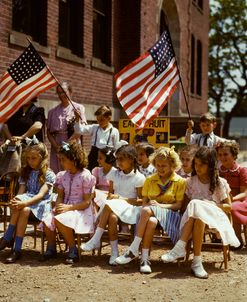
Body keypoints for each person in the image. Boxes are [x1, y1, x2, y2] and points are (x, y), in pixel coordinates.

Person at [161, 147, 240, 279]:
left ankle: (180, 246)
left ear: (210, 165)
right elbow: (185, 207)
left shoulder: (219, 183)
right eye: (196, 164)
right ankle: (196, 262)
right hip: (194, 220)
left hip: (215, 219)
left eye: (201, 164)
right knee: (197, 212)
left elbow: (228, 207)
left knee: (197, 204)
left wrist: (208, 204)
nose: (197, 167)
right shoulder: (190, 182)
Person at [115, 146, 186, 274]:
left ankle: (134, 249)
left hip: (170, 216)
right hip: (150, 215)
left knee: (147, 211)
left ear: (172, 165)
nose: (160, 168)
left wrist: (159, 206)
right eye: (158, 165)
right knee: (151, 220)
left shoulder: (180, 181)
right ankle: (145, 259)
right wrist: (153, 207)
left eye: (164, 166)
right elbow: (144, 202)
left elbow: (178, 205)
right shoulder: (150, 180)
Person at [81, 144, 145, 265]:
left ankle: (96, 238)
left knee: (110, 204)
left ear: (131, 159)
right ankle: (114, 253)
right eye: (117, 159)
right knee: (112, 218)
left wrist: (120, 198)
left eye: (121, 159)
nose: (118, 162)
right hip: (114, 208)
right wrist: (113, 198)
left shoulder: (139, 178)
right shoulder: (114, 174)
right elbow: (110, 194)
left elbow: (140, 201)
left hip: (131, 209)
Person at [0, 137, 56, 263]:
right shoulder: (26, 171)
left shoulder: (48, 174)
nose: (30, 161)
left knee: (23, 207)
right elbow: (22, 190)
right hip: (27, 202)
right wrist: (16, 200)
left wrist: (23, 202)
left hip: (40, 204)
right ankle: (16, 249)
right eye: (28, 158)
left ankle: (8, 238)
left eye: (34, 158)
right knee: (22, 208)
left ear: (42, 158)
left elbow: (41, 195)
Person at [43, 141, 96, 264]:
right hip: (66, 206)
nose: (61, 163)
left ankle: (73, 249)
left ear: (74, 159)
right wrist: (58, 206)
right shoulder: (62, 176)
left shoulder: (85, 176)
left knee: (61, 219)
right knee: (47, 218)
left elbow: (87, 202)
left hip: (80, 209)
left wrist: (69, 208)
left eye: (63, 160)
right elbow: (60, 196)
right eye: (60, 159)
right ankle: (51, 247)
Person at [47, 81, 87, 174]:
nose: (61, 95)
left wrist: (66, 145)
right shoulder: (52, 112)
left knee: (72, 170)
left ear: (70, 92)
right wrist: (56, 147)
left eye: (64, 92)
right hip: (56, 146)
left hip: (72, 144)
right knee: (57, 174)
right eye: (59, 92)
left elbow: (81, 129)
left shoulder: (78, 108)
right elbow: (48, 132)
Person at [216, 140, 247, 249]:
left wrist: (232, 199)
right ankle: (220, 237)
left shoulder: (241, 170)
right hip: (223, 200)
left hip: (240, 200)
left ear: (233, 155)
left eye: (225, 154)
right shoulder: (218, 172)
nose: (222, 157)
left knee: (232, 208)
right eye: (220, 155)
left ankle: (237, 238)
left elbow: (244, 193)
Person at [74, 105, 120, 171]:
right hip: (93, 157)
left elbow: (116, 148)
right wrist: (77, 119)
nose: (99, 122)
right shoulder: (94, 128)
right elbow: (79, 130)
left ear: (109, 118)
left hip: (108, 159)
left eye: (102, 120)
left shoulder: (114, 131)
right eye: (98, 120)